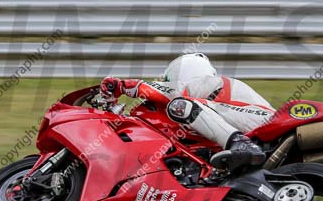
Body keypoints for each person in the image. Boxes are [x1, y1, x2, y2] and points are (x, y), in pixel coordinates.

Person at [100, 53, 276, 171]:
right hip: (259, 128)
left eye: (168, 80)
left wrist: (124, 86)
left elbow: (171, 93)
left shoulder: (208, 84)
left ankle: (240, 143)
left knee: (180, 106)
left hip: (263, 124)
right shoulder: (215, 99)